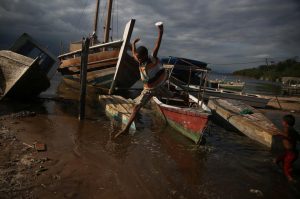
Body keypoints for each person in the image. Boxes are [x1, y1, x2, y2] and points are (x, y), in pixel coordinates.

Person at [114, 22, 171, 138]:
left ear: (145, 56)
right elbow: (135, 54)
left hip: (158, 86)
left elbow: (157, 45)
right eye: (138, 58)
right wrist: (134, 43)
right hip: (148, 90)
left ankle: (184, 98)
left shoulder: (152, 58)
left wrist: (160, 31)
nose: (138, 59)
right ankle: (126, 129)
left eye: (140, 58)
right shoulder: (140, 60)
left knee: (172, 95)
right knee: (136, 107)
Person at [275, 114, 300, 182]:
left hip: (290, 154)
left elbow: (286, 134)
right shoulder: (294, 131)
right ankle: (277, 163)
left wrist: (279, 133)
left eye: (282, 121)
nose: (282, 122)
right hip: (292, 152)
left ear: (285, 123)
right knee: (279, 159)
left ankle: (290, 179)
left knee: (285, 168)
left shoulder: (286, 129)